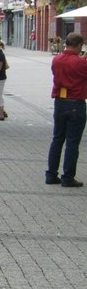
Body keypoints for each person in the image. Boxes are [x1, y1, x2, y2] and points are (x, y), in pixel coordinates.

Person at [46, 33, 87, 187]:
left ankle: (51, 174)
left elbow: (71, 66)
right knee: (72, 142)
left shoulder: (56, 60)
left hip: (60, 102)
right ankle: (68, 177)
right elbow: (79, 68)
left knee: (57, 139)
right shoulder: (80, 63)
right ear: (78, 45)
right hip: (76, 103)